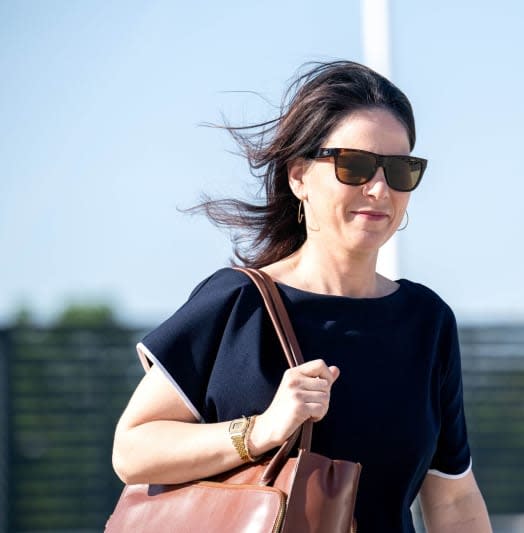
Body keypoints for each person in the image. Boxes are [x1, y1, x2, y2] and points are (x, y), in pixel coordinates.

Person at [111, 60, 491, 533]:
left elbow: (453, 497)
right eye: (353, 165)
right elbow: (132, 450)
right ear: (298, 177)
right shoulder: (238, 304)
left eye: (400, 170)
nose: (378, 188)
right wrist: (262, 430)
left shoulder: (426, 322)